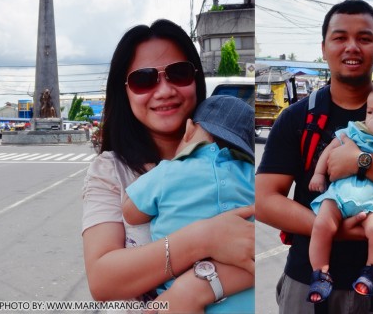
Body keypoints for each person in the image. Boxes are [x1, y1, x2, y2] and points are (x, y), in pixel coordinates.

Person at [255, 0, 373, 314]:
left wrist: (362, 162)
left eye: (365, 38)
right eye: (340, 37)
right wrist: (329, 226)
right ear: (325, 46)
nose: (352, 47)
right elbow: (263, 199)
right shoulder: (297, 117)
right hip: (307, 283)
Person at [82, 19, 254, 312]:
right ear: (124, 91)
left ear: (195, 78)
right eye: (143, 79)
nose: (164, 90)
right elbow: (103, 280)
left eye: (178, 73)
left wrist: (195, 289)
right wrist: (205, 238)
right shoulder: (110, 171)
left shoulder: (238, 162)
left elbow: (253, 250)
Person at [122, 94, 255, 313]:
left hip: (181, 303)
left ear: (189, 129)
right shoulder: (249, 175)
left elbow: (130, 213)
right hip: (243, 295)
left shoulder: (166, 173)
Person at [307, 82, 373, 303]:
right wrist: (318, 174)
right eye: (370, 111)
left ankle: (371, 271)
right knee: (321, 225)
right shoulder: (354, 129)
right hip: (337, 196)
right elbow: (330, 149)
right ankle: (320, 273)